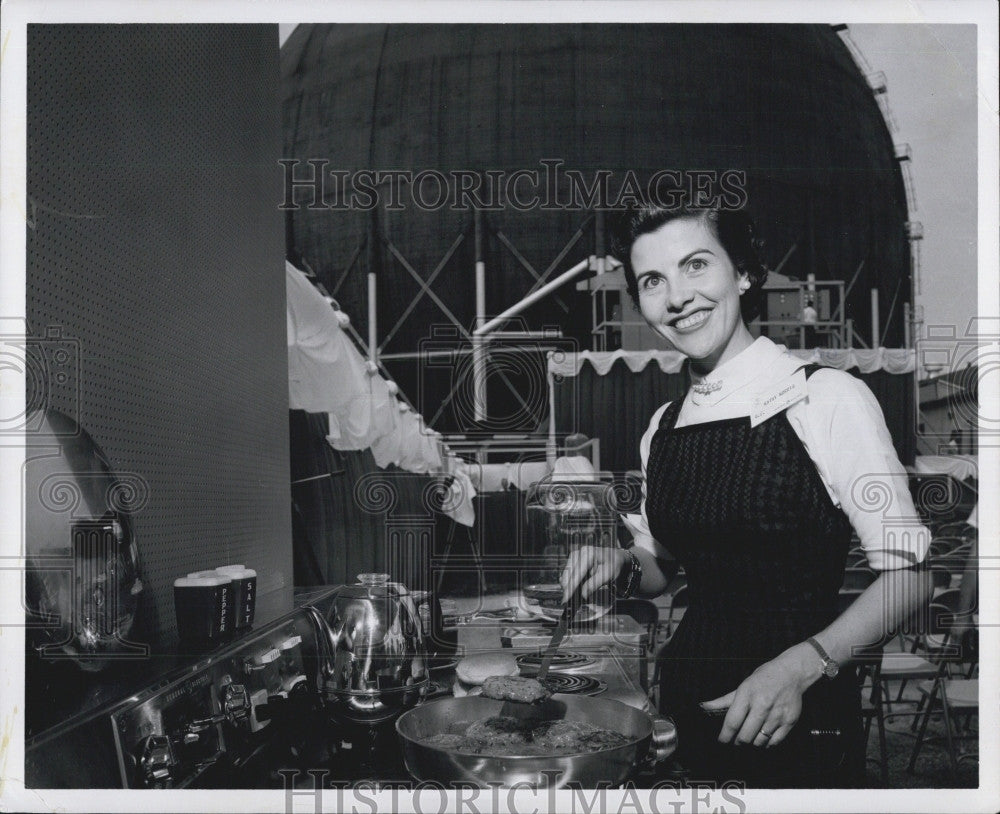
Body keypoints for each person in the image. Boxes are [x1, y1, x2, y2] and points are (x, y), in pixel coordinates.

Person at [560, 197, 933, 787]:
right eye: (653, 280)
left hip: (799, 713)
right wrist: (619, 566)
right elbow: (662, 563)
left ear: (745, 273)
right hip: (687, 704)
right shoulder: (664, 425)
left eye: (697, 265)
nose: (677, 296)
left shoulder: (826, 398)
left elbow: (911, 574)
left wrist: (802, 666)